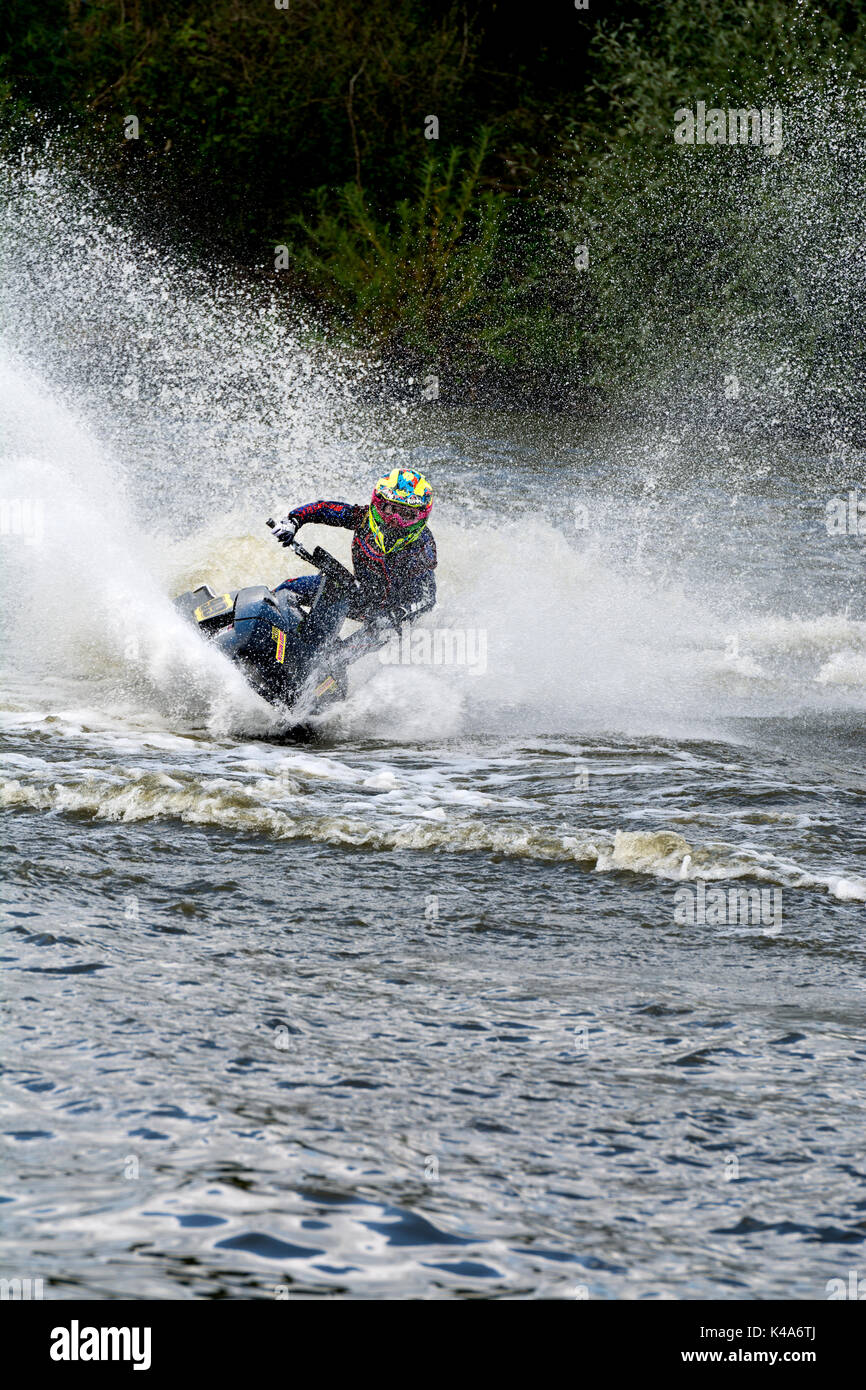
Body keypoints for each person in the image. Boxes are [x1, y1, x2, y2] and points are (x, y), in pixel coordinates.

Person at [271, 468, 437, 628]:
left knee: (353, 649)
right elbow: (322, 509)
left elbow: (427, 598)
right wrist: (293, 521)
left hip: (391, 618)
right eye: (391, 509)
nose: (395, 519)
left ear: (421, 516)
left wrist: (397, 615)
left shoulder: (422, 545)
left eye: (406, 514)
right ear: (378, 504)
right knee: (287, 589)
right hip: (357, 594)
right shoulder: (361, 517)